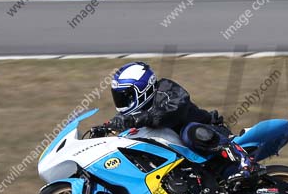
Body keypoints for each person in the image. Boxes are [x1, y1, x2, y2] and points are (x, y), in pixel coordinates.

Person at [97, 62, 249, 168]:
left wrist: (138, 119)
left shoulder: (166, 90)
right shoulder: (132, 115)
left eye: (127, 97)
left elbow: (173, 111)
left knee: (189, 131)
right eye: (119, 97)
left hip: (210, 133)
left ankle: (240, 156)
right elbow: (122, 126)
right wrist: (105, 130)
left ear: (144, 89)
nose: (123, 103)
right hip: (182, 156)